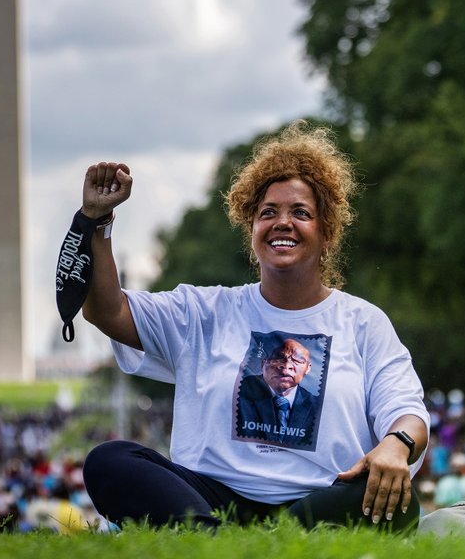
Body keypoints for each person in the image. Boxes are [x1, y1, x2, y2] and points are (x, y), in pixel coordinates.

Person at [76, 122, 429, 531]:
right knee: (110, 461)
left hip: (320, 499)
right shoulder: (204, 311)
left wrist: (395, 445)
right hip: (210, 498)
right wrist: (97, 223)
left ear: (327, 233)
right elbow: (107, 311)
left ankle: (233, 546)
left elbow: (407, 412)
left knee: (397, 500)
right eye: (268, 213)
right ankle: (226, 540)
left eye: (301, 213)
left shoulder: (364, 322)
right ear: (252, 230)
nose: (282, 222)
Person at [235, 337, 320, 449]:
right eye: (278, 358)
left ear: (307, 369)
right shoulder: (240, 390)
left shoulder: (316, 406)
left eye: (298, 361)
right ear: (263, 364)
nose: (286, 366)